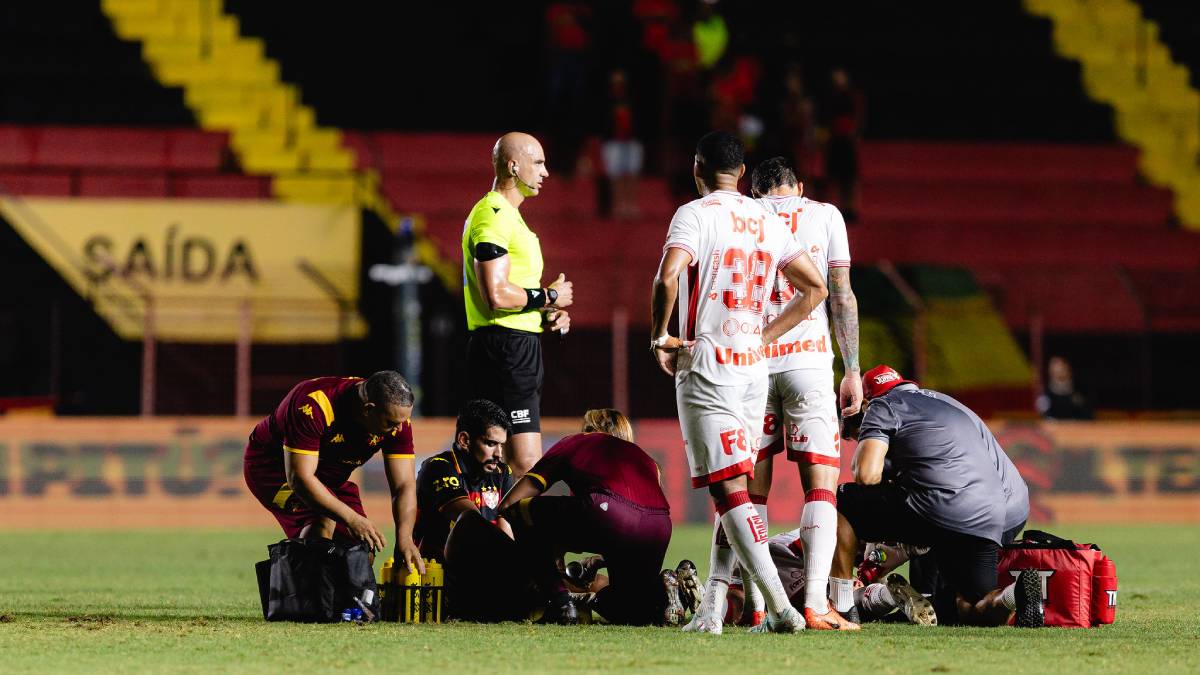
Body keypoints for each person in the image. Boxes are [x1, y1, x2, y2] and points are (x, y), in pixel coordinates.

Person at [649, 130, 829, 634]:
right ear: (743, 173)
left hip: (709, 365)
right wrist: (764, 335)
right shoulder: (766, 219)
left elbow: (667, 277)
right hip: (753, 367)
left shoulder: (694, 215)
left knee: (731, 491)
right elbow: (814, 288)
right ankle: (711, 607)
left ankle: (780, 607)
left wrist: (659, 336)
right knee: (736, 488)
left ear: (697, 168)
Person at [738, 156, 862, 630]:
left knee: (749, 488)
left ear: (755, 191)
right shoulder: (825, 214)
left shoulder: (742, 215)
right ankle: (814, 603)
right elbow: (840, 292)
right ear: (799, 187)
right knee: (821, 485)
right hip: (809, 363)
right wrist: (851, 369)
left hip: (752, 366)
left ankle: (756, 605)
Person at [832, 365, 1039, 627]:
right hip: (999, 511)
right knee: (969, 604)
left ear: (866, 404)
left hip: (943, 508)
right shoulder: (944, 403)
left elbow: (865, 475)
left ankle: (840, 606)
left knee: (843, 499)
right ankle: (1011, 596)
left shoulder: (881, 406)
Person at [462, 132, 574, 478]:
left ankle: (494, 530)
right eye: (538, 162)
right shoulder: (493, 213)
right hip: (506, 348)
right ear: (513, 165)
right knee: (524, 463)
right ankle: (515, 533)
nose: (545, 172)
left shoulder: (507, 216)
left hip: (511, 344)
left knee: (495, 463)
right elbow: (495, 294)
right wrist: (549, 297)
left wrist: (547, 312)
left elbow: (512, 293)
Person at [498, 409, 672, 625]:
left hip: (610, 513)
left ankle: (560, 603)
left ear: (589, 429)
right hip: (660, 526)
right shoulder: (644, 458)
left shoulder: (578, 441)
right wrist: (599, 559)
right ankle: (668, 596)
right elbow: (631, 521)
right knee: (630, 611)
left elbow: (512, 501)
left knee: (520, 510)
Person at [242, 371, 425, 575]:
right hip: (272, 469)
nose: (398, 429)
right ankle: (300, 597)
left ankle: (327, 597)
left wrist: (405, 539)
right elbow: (300, 478)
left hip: (327, 478)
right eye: (391, 424)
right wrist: (352, 519)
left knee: (360, 552)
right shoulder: (314, 405)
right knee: (323, 518)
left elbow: (404, 485)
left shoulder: (394, 419)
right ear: (368, 409)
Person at [726, 531, 936, 626]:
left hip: (770, 563)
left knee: (737, 604)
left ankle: (708, 602)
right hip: (795, 563)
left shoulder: (829, 528)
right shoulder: (835, 527)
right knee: (845, 599)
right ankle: (889, 596)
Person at [413, 399, 516, 561]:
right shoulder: (437, 467)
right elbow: (469, 520)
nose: (499, 454)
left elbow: (506, 528)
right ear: (464, 440)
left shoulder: (502, 473)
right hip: (437, 572)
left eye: (501, 445)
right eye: (491, 444)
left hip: (481, 566)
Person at [1036, 355, 1093, 420]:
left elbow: (1088, 415)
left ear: (1068, 368)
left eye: (1062, 366)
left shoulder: (1081, 391)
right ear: (1050, 371)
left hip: (1079, 427)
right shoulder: (1045, 395)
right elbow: (1046, 416)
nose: (1060, 369)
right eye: (1056, 367)